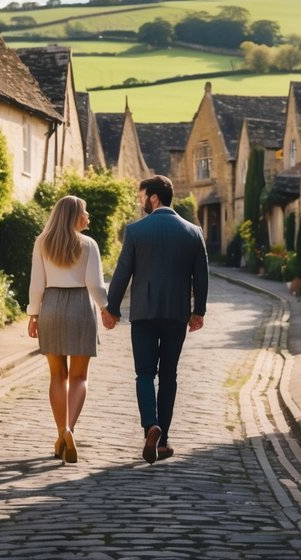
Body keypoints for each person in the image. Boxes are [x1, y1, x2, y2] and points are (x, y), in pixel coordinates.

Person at [102, 175, 209, 464]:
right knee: (169, 375)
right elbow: (201, 275)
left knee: (145, 373)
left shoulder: (136, 231)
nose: (140, 202)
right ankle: (163, 443)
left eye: (142, 196)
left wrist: (111, 308)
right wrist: (198, 310)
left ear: (153, 198)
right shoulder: (193, 232)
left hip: (144, 314)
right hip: (176, 314)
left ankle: (151, 426)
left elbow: (123, 272)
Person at [28, 195, 109, 464]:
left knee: (56, 377)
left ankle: (60, 433)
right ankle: (70, 429)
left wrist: (33, 314)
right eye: (85, 212)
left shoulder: (42, 242)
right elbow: (95, 285)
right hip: (80, 308)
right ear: (74, 216)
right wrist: (107, 309)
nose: (88, 217)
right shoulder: (89, 244)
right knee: (79, 377)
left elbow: (37, 283)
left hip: (50, 307)